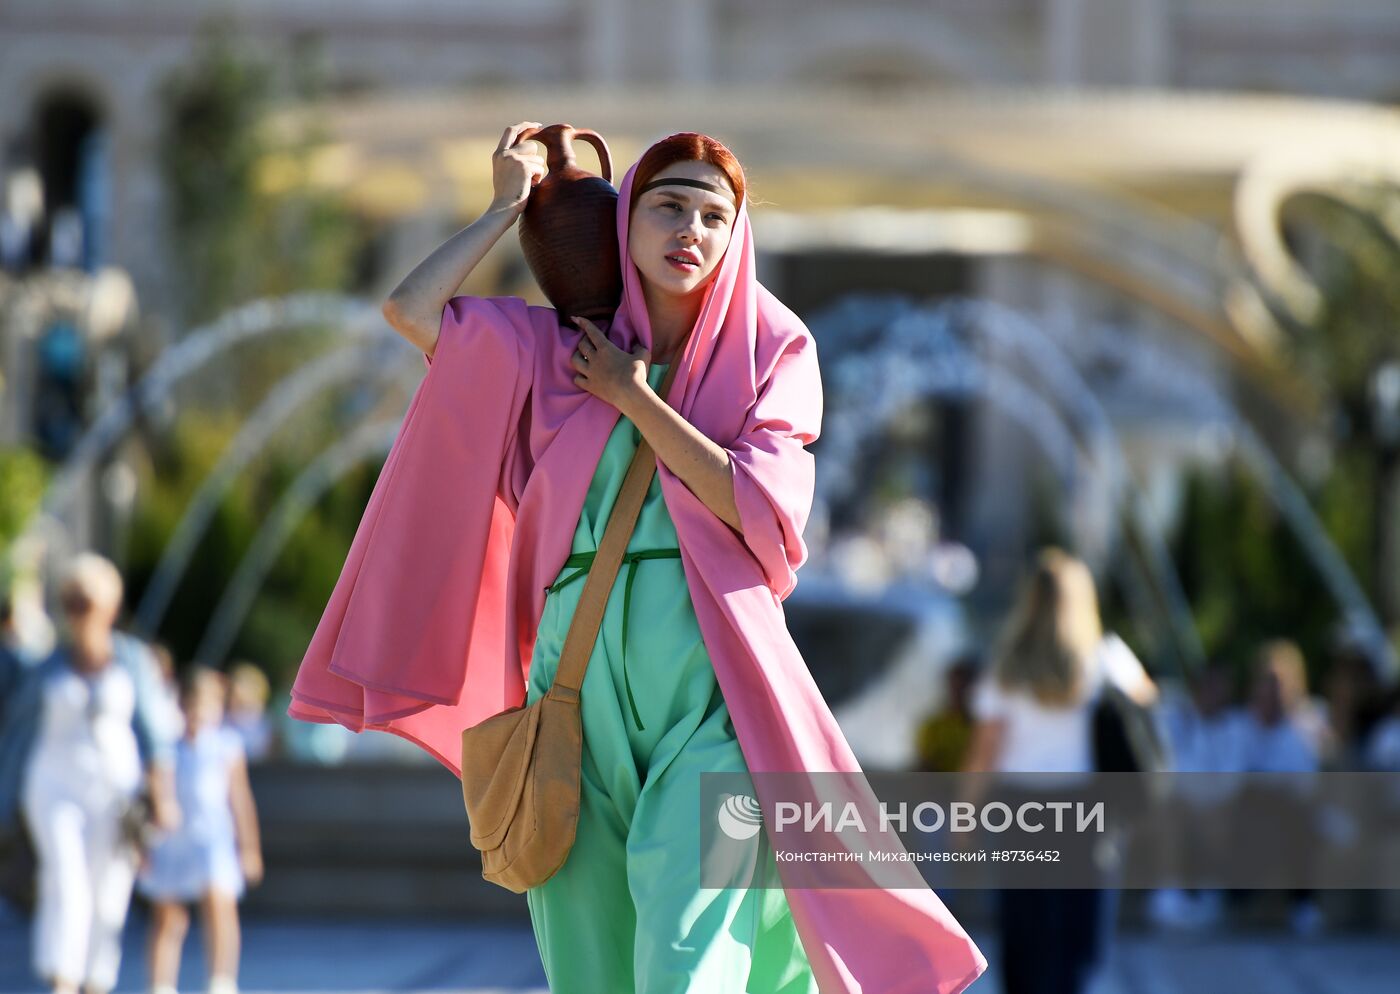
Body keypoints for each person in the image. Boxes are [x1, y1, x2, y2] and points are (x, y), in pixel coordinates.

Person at [290, 123, 987, 993]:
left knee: (686, 966)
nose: (689, 231)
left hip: (714, 690)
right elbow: (410, 311)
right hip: (572, 689)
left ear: (736, 237)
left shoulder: (777, 348)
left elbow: (762, 509)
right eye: (666, 208)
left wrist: (631, 394)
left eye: (712, 215)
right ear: (626, 224)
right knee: (591, 971)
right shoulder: (551, 348)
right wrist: (506, 208)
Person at [963, 548, 1158, 994]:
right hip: (1084, 808)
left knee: (1023, 929)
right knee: (1078, 937)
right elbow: (1146, 701)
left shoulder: (1006, 666)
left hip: (1019, 806)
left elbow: (984, 751)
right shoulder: (1105, 658)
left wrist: (966, 815)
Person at [0, 553, 179, 994]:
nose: (78, 610)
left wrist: (163, 794)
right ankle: (63, 981)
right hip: (51, 785)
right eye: (71, 601)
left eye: (86, 601)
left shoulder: (133, 661)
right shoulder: (41, 666)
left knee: (109, 893)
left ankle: (96, 980)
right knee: (67, 879)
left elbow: (155, 736)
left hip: (116, 792)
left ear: (110, 606)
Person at [139, 665, 263, 994]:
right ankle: (161, 984)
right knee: (169, 916)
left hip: (213, 836)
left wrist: (248, 846)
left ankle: (221, 979)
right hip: (174, 838)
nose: (198, 712)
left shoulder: (226, 745)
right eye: (192, 703)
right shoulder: (167, 747)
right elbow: (156, 791)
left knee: (219, 905)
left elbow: (239, 798)